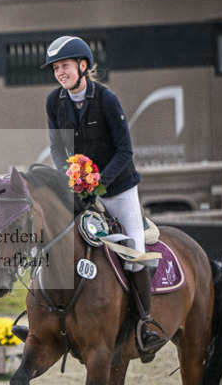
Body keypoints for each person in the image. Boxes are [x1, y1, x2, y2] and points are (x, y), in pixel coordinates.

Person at [42, 35, 167, 357]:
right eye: (56, 68)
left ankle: (146, 324)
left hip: (120, 189)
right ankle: (47, 320)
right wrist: (69, 175)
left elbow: (125, 151)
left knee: (135, 253)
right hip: (80, 189)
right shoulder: (54, 101)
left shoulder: (107, 100)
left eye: (65, 66)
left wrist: (97, 183)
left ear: (83, 66)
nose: (60, 73)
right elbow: (57, 148)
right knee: (56, 241)